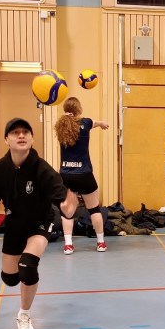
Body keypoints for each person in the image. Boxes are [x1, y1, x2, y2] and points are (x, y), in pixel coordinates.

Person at [0, 118, 77, 329]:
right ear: (6, 139)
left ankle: (24, 315)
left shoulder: (42, 168)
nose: (21, 136)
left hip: (40, 222)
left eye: (25, 132)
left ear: (31, 138)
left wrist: (67, 208)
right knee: (10, 278)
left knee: (27, 266)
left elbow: (61, 196)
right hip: (15, 224)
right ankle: (16, 280)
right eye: (15, 132)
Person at [54, 97, 110, 254]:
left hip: (66, 175)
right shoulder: (85, 123)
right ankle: (100, 243)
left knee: (67, 212)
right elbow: (95, 122)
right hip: (84, 174)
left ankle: (68, 245)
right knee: (94, 209)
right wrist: (102, 123)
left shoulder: (60, 126)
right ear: (79, 110)